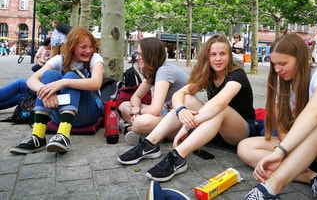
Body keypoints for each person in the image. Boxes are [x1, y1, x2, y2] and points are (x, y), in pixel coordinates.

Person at [238, 33, 317, 200]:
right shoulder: (281, 85)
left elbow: (316, 113)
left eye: (282, 64)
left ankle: (270, 189)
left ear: (300, 58)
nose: (277, 70)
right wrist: (283, 150)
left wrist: (280, 153)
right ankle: (315, 177)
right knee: (245, 147)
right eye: (274, 64)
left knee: (315, 122)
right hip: (305, 149)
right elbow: (283, 131)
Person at [117, 34, 256, 182]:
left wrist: (187, 126)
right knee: (188, 99)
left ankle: (179, 156)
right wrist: (181, 111)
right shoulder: (208, 75)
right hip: (214, 127)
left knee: (220, 109)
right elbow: (180, 93)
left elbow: (219, 103)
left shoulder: (237, 75)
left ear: (230, 56)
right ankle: (150, 143)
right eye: (213, 54)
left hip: (241, 130)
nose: (218, 59)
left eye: (223, 54)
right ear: (207, 57)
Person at [10, 27, 104, 155]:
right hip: (57, 112)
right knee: (50, 75)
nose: (88, 50)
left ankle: (63, 135)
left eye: (90, 46)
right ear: (72, 47)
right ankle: (38, 136)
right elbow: (31, 80)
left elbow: (96, 83)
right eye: (83, 47)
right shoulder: (60, 59)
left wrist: (63, 82)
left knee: (70, 77)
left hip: (87, 113)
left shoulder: (95, 58)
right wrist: (46, 92)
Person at [119, 37, 189, 145]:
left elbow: (155, 109)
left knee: (140, 122)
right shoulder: (154, 70)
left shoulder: (164, 71)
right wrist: (135, 112)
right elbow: (136, 97)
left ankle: (142, 131)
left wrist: (138, 111)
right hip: (164, 113)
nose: (137, 58)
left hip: (179, 118)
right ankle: (153, 134)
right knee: (124, 106)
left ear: (150, 55)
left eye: (140, 54)